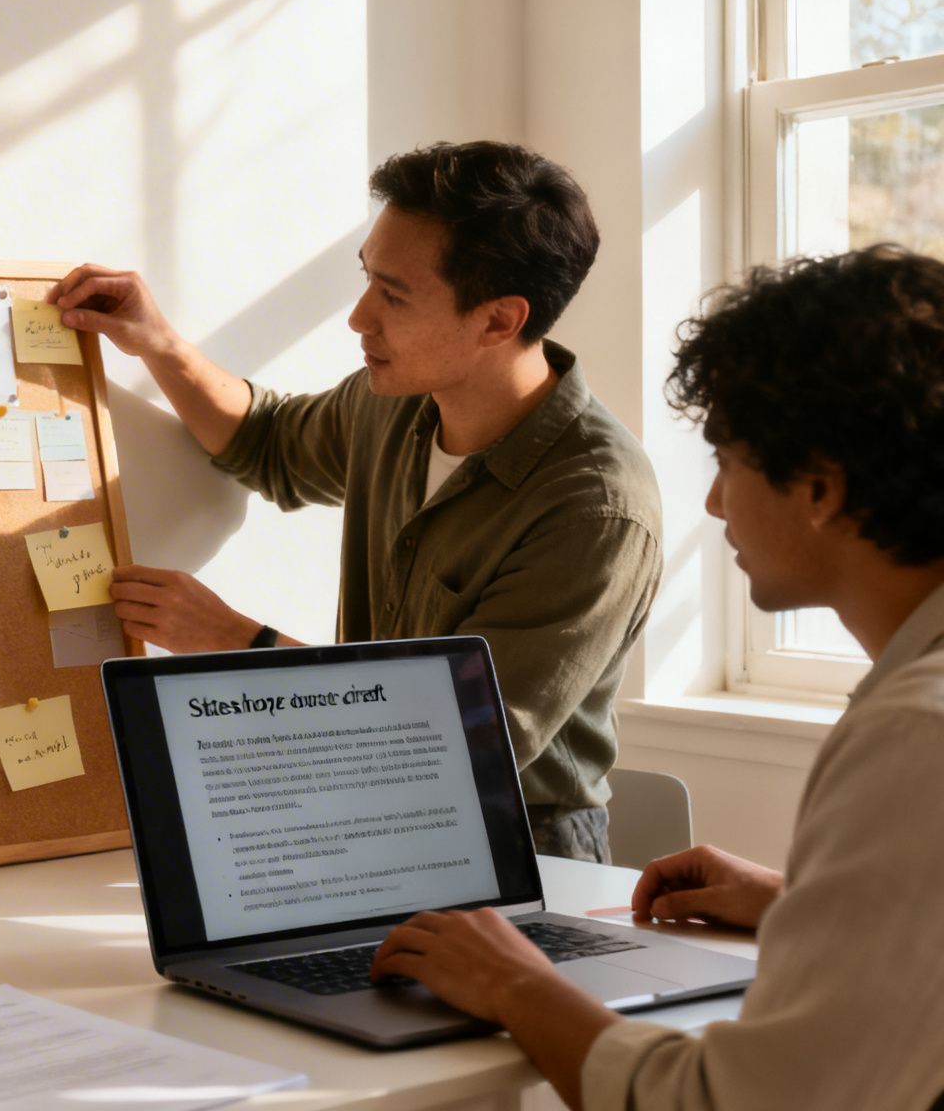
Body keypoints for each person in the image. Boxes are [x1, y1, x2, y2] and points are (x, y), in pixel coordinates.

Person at [368, 245, 944, 1109]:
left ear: (820, 489)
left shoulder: (915, 740)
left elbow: (727, 1103)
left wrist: (514, 985)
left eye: (728, 461)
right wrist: (809, 909)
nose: (714, 505)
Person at [50, 141, 661, 861]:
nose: (359, 317)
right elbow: (269, 442)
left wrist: (233, 643)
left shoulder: (595, 508)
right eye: (368, 279)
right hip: (367, 817)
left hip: (520, 848)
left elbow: (456, 738)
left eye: (394, 296)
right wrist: (155, 342)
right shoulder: (393, 407)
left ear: (498, 320)